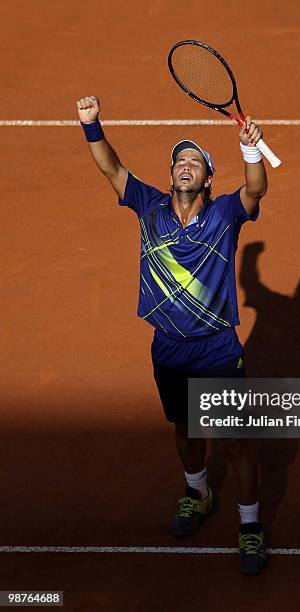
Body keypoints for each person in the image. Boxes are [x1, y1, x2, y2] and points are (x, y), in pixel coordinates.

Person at [76, 95, 268, 575]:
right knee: (184, 428)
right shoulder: (150, 207)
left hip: (218, 350)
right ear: (171, 177)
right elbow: (111, 168)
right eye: (178, 161)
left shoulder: (225, 215)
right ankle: (198, 494)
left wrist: (251, 151)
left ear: (207, 177)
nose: (184, 166)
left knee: (236, 443)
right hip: (168, 348)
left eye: (194, 162)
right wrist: (92, 125)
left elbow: (255, 190)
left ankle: (249, 527)